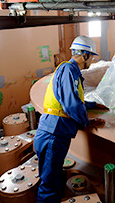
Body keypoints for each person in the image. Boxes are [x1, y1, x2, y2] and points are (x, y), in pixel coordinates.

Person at [34, 35, 108, 203]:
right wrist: (86, 122)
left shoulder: (71, 72)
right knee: (49, 184)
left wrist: (92, 104)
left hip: (54, 134)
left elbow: (72, 99)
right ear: (85, 55)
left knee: (54, 177)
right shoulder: (68, 70)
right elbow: (71, 104)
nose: (91, 62)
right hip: (53, 136)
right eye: (91, 57)